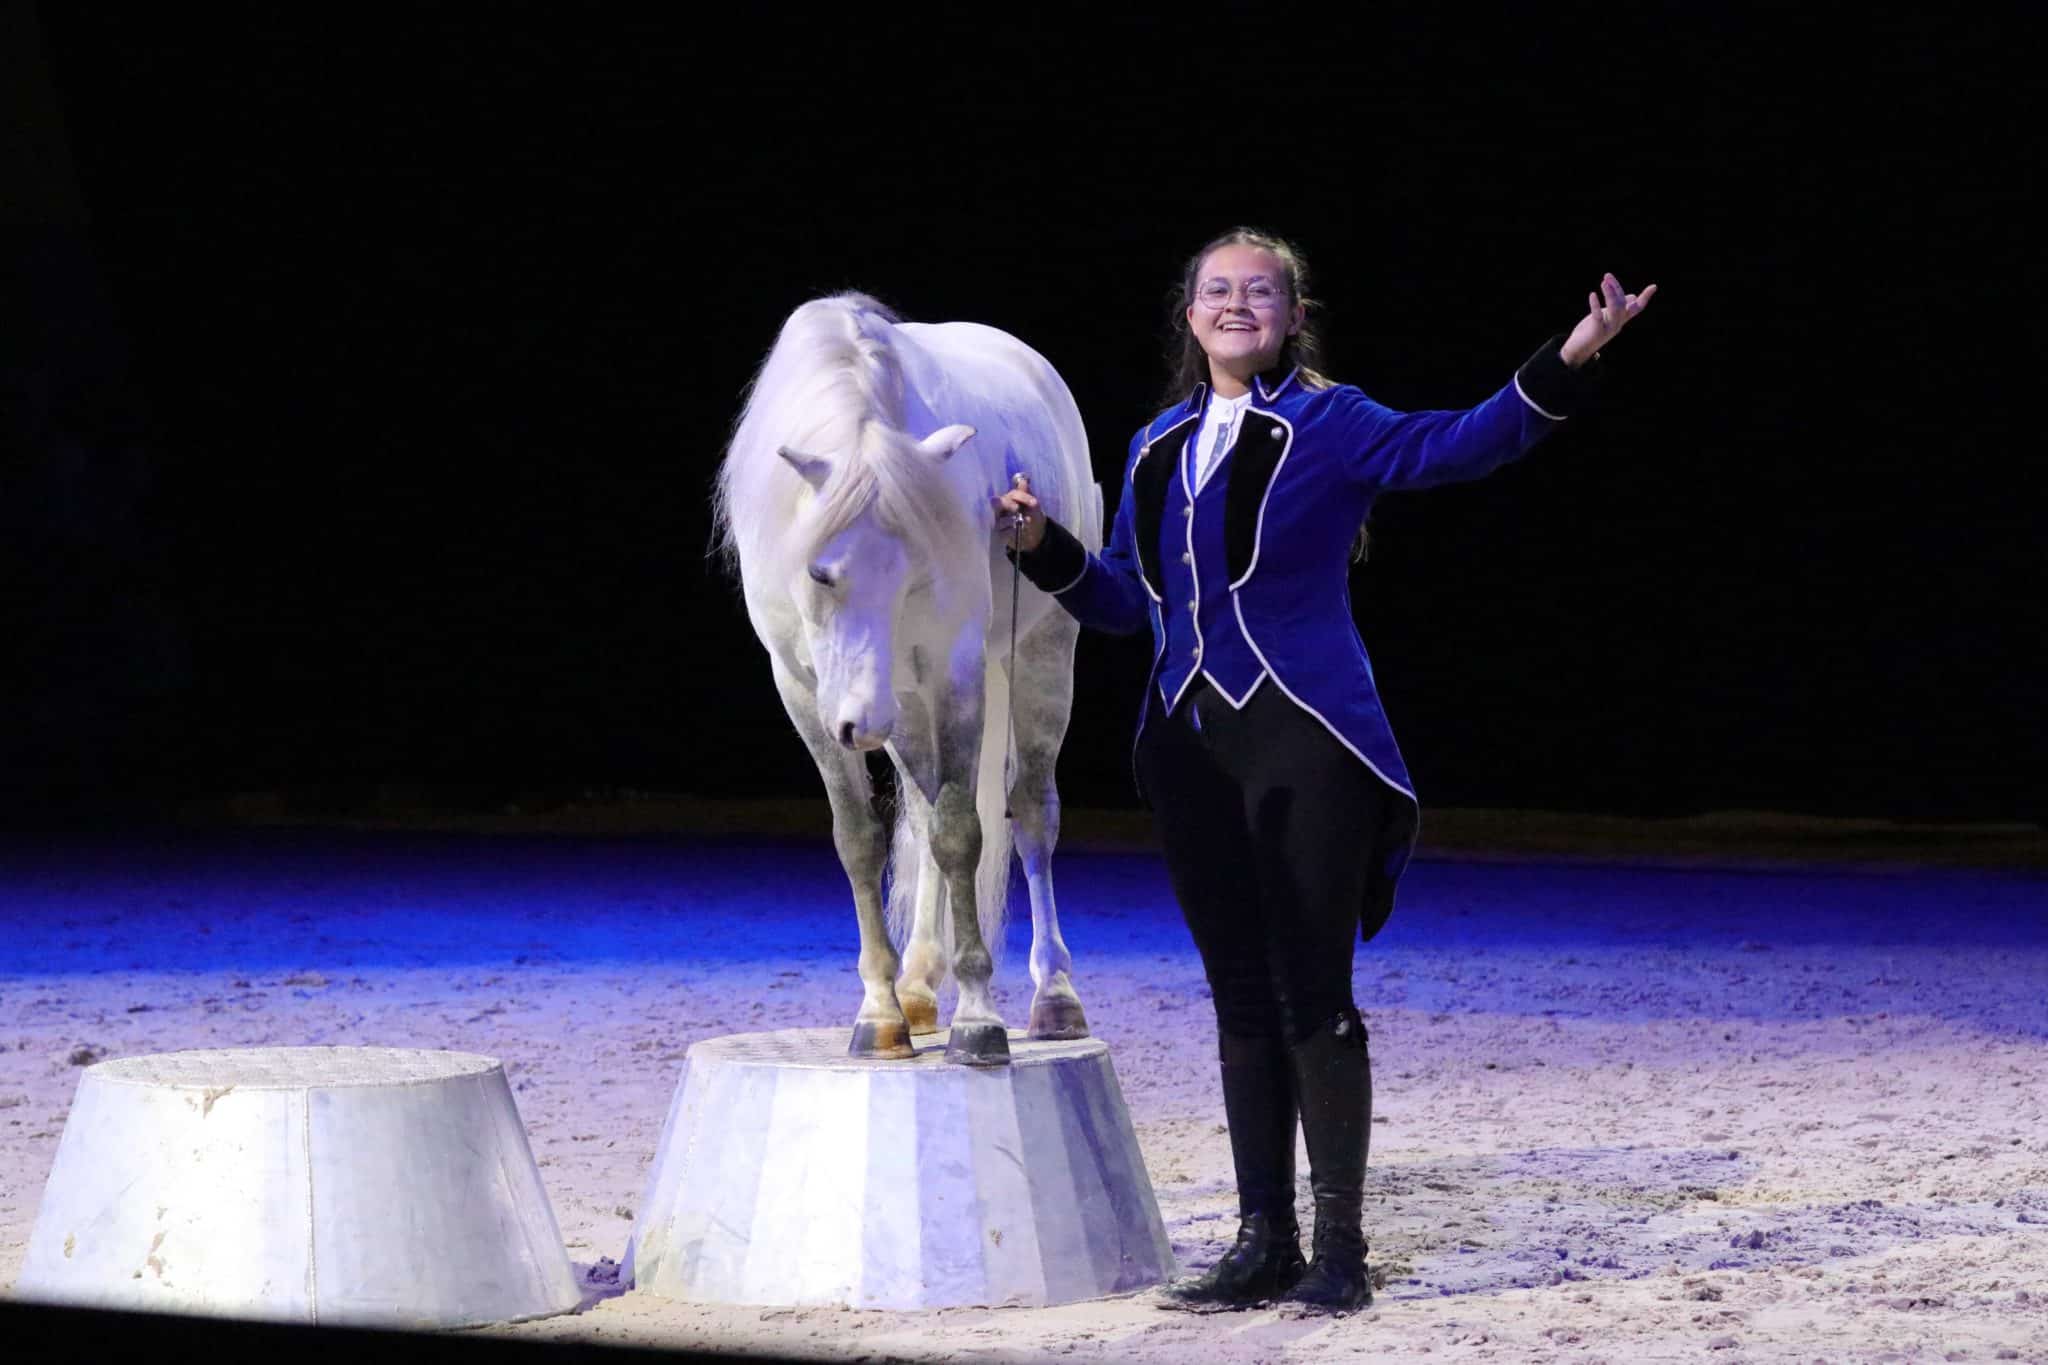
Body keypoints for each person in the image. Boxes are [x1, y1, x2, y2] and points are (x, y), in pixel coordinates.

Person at [994, 228, 1654, 1313]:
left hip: (1306, 735)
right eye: (1217, 290)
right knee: (1240, 998)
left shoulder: (1331, 421)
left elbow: (1461, 445)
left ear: (1292, 317)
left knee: (1313, 996)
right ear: (1188, 315)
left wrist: (1572, 351)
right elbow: (1123, 601)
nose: (1237, 304)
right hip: (1188, 742)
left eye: (1261, 292)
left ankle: (1340, 1249)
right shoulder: (1155, 442)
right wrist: (1042, 546)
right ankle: (1263, 1241)